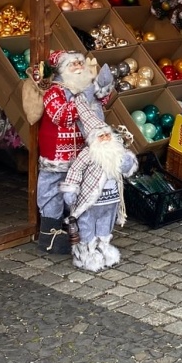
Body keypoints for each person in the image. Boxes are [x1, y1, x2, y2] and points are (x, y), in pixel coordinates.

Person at [36, 51, 114, 254]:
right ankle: (50, 236)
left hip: (80, 153)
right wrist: (87, 94)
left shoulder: (83, 86)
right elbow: (63, 115)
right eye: (74, 64)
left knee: (75, 192)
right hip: (57, 154)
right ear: (62, 70)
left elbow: (100, 103)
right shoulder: (55, 91)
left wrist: (103, 86)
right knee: (52, 191)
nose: (79, 66)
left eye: (81, 62)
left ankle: (75, 234)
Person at [61, 121, 138, 272]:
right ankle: (85, 255)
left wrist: (128, 162)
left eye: (107, 135)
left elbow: (127, 168)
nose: (105, 138)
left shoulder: (118, 151)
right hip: (91, 202)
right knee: (86, 227)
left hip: (112, 200)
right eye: (101, 136)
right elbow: (75, 171)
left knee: (105, 226)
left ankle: (104, 248)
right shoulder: (88, 154)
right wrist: (71, 190)